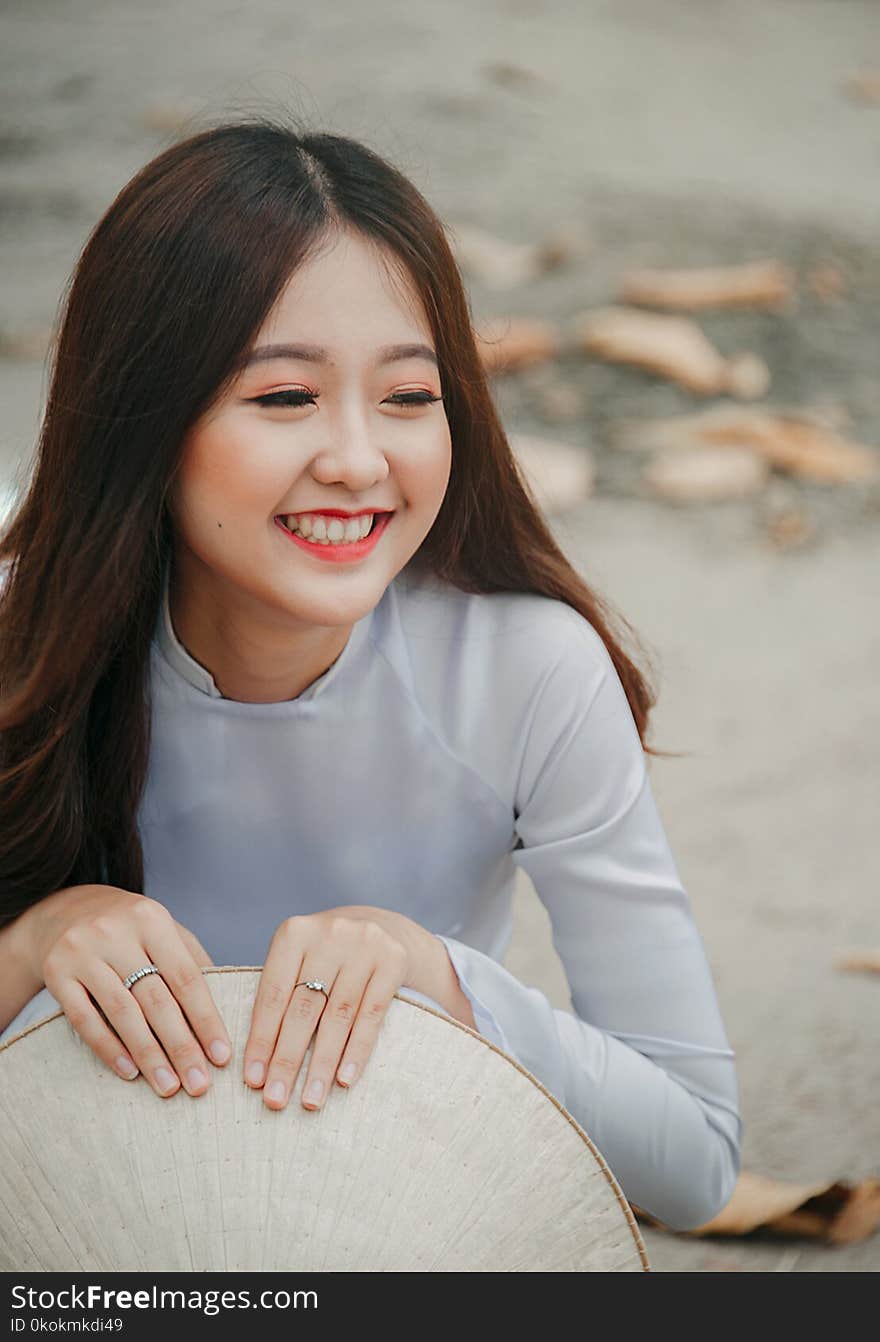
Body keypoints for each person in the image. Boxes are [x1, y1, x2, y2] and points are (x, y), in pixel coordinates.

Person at [0, 116, 740, 1233]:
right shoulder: (20, 623)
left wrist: (436, 978)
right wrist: (29, 948)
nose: (357, 460)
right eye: (284, 397)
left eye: (407, 396)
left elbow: (693, 1159)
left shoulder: (526, 671)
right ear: (144, 417)